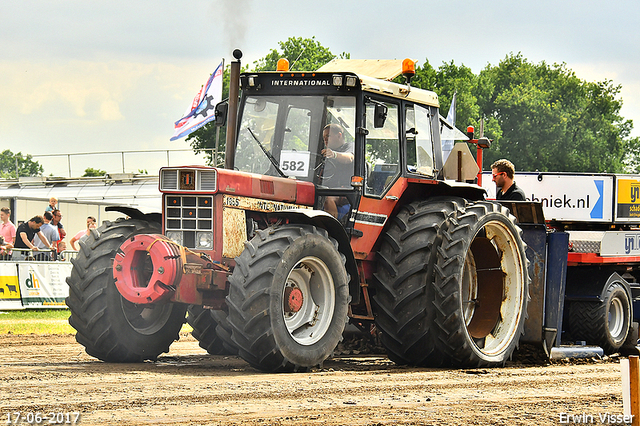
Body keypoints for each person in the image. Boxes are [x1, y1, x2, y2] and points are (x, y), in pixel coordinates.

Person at [320, 124, 354, 218]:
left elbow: (349, 157)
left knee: (328, 198)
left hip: (349, 189)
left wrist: (334, 154)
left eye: (328, 136)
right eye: (324, 137)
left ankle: (333, 229)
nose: (325, 140)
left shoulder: (350, 146)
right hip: (331, 188)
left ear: (339, 135)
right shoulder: (326, 152)